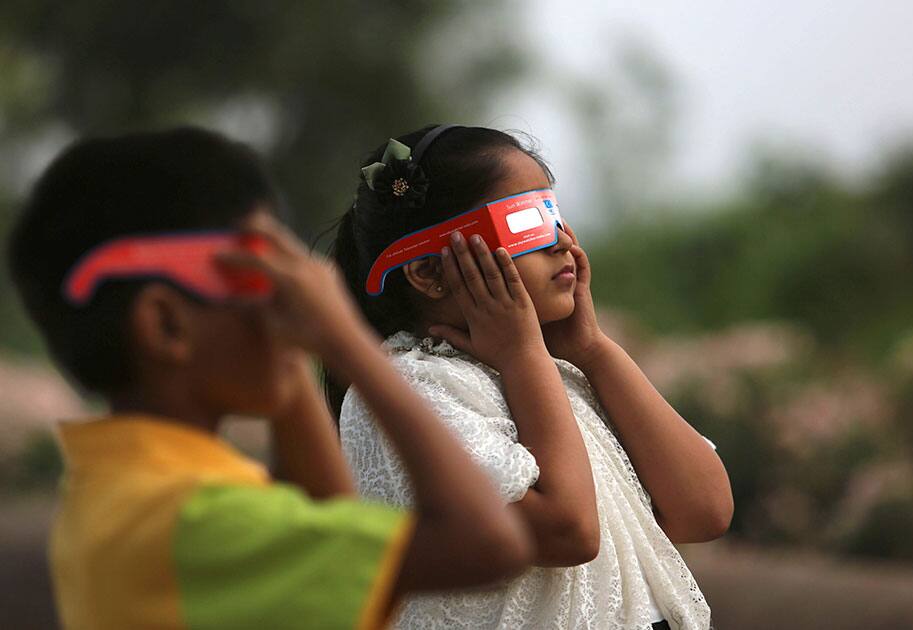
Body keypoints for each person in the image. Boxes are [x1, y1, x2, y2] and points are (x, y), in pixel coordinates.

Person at [6, 127, 533, 630]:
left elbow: (330, 524)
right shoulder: (202, 521)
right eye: (262, 278)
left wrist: (294, 358)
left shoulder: (116, 491)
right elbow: (488, 545)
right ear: (166, 324)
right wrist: (345, 340)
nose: (287, 304)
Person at [328, 125, 734, 630]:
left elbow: (705, 511)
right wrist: (524, 356)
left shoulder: (561, 373)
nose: (562, 242)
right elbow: (569, 533)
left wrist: (593, 350)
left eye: (554, 215)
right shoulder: (402, 389)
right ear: (428, 272)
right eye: (525, 222)